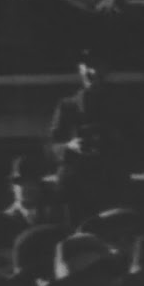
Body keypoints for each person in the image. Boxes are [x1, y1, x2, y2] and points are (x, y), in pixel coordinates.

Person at [49, 47, 133, 222]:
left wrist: (115, 141)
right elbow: (51, 146)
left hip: (111, 184)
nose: (91, 72)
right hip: (75, 188)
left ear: (106, 70)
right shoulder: (67, 106)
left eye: (97, 66)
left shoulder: (123, 105)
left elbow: (140, 142)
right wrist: (69, 146)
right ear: (79, 69)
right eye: (86, 66)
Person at [3, 153, 63, 227]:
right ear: (12, 186)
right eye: (21, 182)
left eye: (33, 181)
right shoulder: (5, 219)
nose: (28, 186)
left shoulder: (53, 215)